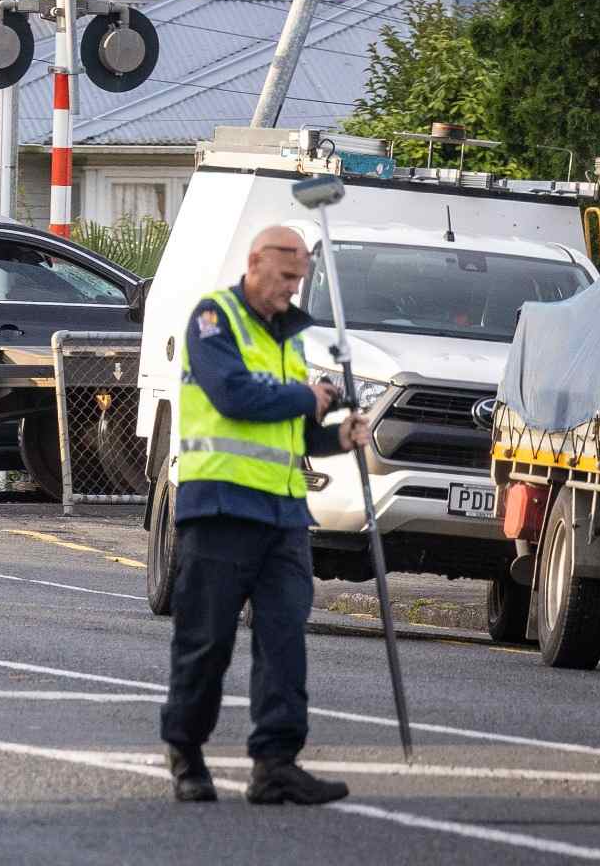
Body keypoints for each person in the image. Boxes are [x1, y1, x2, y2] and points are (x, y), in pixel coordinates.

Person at [163, 224, 372, 806]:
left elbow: (294, 428)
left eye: (299, 281)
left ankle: (275, 763)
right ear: (255, 263)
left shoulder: (290, 339)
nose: (291, 291)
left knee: (285, 641)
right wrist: (308, 398)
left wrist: (337, 436)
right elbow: (233, 395)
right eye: (285, 278)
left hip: (283, 513)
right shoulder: (214, 319)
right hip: (222, 507)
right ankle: (186, 752)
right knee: (207, 642)